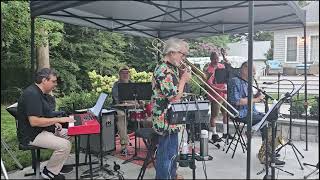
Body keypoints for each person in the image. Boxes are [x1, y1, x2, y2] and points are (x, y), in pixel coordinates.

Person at [16, 68, 75, 180]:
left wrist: (55, 122)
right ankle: (49, 173)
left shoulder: (40, 93)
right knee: (65, 145)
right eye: (53, 81)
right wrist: (60, 120)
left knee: (71, 133)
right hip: (32, 135)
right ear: (44, 80)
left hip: (42, 130)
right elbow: (34, 121)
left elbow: (43, 114)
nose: (55, 84)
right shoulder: (32, 94)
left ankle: (57, 165)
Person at [229, 62, 285, 165]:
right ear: (244, 69)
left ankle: (267, 150)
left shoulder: (247, 82)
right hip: (241, 113)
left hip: (252, 112)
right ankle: (267, 154)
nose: (254, 72)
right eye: (252, 70)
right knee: (267, 122)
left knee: (272, 118)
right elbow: (237, 101)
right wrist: (256, 99)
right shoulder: (235, 81)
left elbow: (249, 97)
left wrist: (257, 95)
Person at [151, 38, 191, 179]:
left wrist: (181, 77)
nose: (184, 58)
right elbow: (174, 98)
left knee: (172, 152)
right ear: (172, 52)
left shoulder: (171, 68)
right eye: (182, 54)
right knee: (166, 154)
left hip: (171, 118)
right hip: (165, 119)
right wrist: (183, 80)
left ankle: (172, 175)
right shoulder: (163, 70)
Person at [204, 51, 232, 143]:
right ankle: (214, 134)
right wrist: (221, 90)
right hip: (215, 95)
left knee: (226, 114)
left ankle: (225, 133)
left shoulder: (221, 66)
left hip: (224, 94)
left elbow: (228, 72)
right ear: (211, 59)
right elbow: (209, 85)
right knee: (214, 115)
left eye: (217, 58)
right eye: (214, 59)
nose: (216, 60)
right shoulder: (209, 70)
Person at [111, 65, 133, 156]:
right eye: (123, 73)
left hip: (131, 107)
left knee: (148, 113)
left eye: (127, 73)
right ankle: (124, 146)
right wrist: (130, 102)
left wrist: (141, 101)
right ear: (119, 74)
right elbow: (117, 100)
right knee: (121, 116)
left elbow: (139, 97)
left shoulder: (132, 84)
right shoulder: (116, 85)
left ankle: (152, 143)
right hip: (118, 108)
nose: (125, 75)